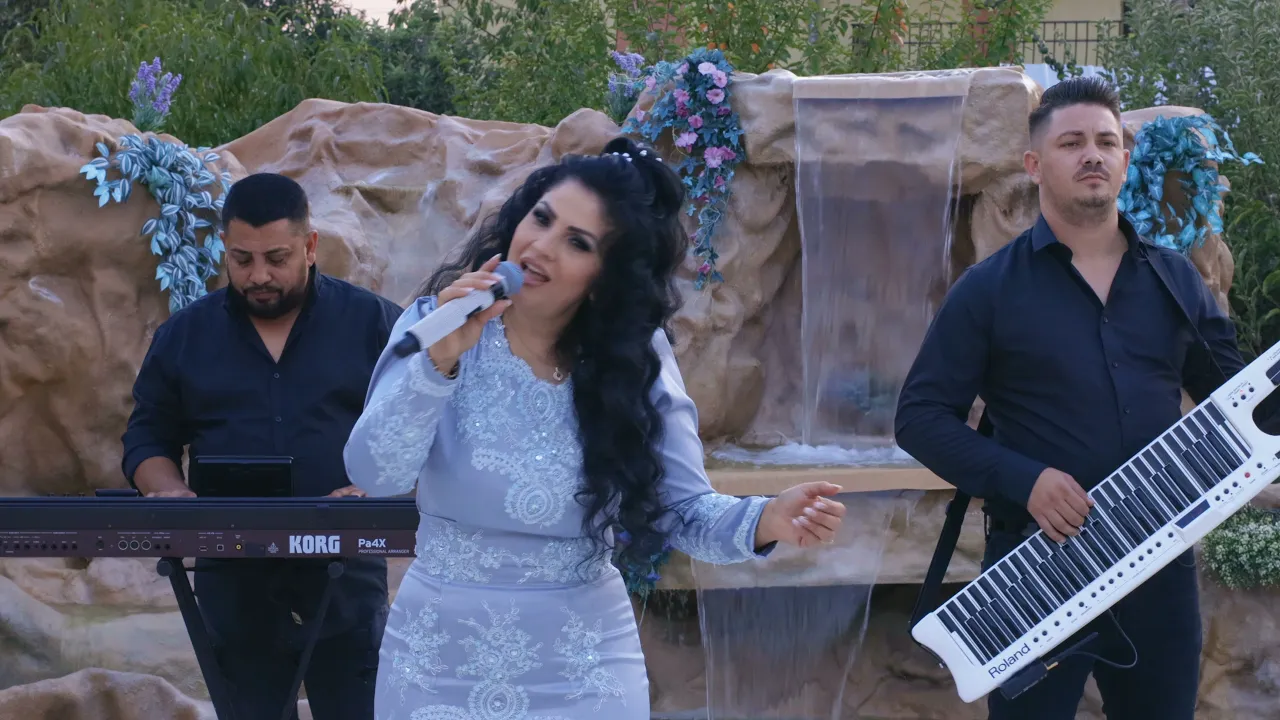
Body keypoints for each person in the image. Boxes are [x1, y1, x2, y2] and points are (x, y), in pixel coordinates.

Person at [341, 136, 848, 720]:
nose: (541, 247)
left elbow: (682, 510)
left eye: (577, 242)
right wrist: (438, 363)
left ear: (607, 277)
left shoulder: (633, 361)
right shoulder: (437, 325)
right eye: (541, 219)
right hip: (437, 662)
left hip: (583, 669)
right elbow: (375, 475)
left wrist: (764, 520)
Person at [894, 75, 1251, 719]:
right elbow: (919, 418)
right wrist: (1024, 479)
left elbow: (1236, 397)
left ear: (1125, 160)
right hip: (1037, 566)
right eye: (1072, 143)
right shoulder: (989, 289)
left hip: (1158, 566)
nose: (1092, 155)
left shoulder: (1175, 279)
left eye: (1106, 142)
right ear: (1035, 165)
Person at [121, 172, 405, 720]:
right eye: (242, 259)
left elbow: (417, 426)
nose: (258, 276)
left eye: (277, 258)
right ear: (224, 249)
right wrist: (169, 492)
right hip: (233, 583)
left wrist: (375, 486)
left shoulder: (373, 323)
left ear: (310, 246)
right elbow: (147, 435)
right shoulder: (184, 336)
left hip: (344, 576)